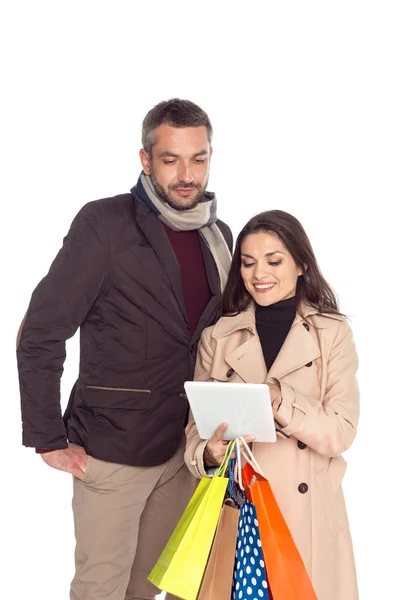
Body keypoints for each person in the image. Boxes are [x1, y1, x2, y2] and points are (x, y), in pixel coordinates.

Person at [16, 98, 232, 600]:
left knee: (148, 587)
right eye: (171, 159)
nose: (186, 175)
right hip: (112, 449)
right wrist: (46, 435)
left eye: (198, 159)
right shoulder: (105, 224)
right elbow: (42, 330)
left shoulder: (218, 236)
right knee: (100, 589)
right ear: (145, 159)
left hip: (185, 449)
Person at [185, 210, 359, 600]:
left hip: (305, 516)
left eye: (273, 261)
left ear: (301, 264)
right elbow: (194, 436)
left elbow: (340, 431)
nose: (258, 273)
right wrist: (208, 453)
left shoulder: (332, 333)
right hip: (238, 512)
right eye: (247, 263)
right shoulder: (219, 337)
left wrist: (281, 400)